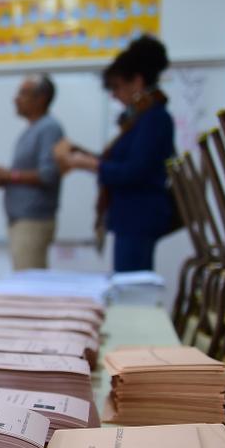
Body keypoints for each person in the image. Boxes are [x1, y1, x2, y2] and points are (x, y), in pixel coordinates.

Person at [56, 36, 176, 272]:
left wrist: (91, 165)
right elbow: (124, 163)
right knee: (128, 284)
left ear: (137, 82)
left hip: (138, 217)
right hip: (130, 217)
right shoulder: (140, 119)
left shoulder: (154, 118)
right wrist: (88, 158)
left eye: (117, 87)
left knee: (131, 287)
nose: (114, 95)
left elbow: (135, 171)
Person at [0, 74, 64, 271]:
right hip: (20, 218)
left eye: (23, 93)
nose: (16, 99)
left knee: (29, 285)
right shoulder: (32, 129)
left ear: (42, 98)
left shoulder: (49, 128)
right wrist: (4, 179)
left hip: (34, 220)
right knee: (23, 278)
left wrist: (9, 176)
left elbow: (48, 174)